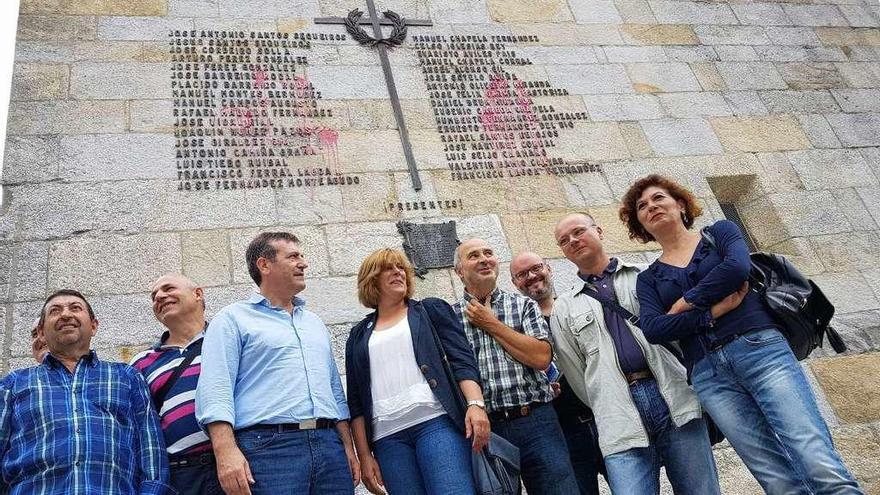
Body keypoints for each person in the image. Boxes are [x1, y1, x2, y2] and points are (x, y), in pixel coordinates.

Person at [622, 174, 862, 494]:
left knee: (813, 455)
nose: (650, 206)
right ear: (640, 223)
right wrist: (712, 312)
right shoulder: (648, 279)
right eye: (641, 206)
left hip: (761, 350)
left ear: (680, 205)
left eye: (658, 198)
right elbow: (653, 329)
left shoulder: (720, 232)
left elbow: (737, 269)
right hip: (708, 376)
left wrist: (685, 303)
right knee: (775, 477)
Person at [549, 213, 720, 495]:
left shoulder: (647, 274)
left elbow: (680, 333)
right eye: (564, 241)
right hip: (616, 415)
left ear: (599, 231)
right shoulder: (564, 307)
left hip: (673, 395)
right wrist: (605, 397)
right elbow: (576, 371)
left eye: (578, 231)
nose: (573, 241)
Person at [196, 232, 359, 495]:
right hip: (268, 449)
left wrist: (347, 447)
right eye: (293, 256)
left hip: (329, 445)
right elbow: (216, 387)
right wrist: (225, 452)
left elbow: (333, 389)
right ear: (264, 265)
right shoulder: (232, 319)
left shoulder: (314, 323)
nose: (303, 263)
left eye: (302, 256)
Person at [346, 248, 490, 495]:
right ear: (372, 279)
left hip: (436, 424)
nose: (398, 272)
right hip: (387, 440)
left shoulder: (430, 310)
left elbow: (462, 361)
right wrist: (364, 455)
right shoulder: (358, 335)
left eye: (401, 267)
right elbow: (356, 401)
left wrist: (475, 405)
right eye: (388, 268)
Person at [0, 289, 172, 494]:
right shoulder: (13, 384)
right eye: (55, 311)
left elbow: (151, 453)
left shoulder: (127, 377)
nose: (65, 314)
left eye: (75, 308)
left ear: (94, 326)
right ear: (42, 332)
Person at [452, 238, 580, 495]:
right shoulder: (451, 317)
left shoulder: (523, 305)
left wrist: (491, 323)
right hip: (487, 429)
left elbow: (541, 357)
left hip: (536, 420)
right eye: (473, 255)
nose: (484, 258)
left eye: (488, 253)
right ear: (459, 271)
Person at [509, 251, 605, 495]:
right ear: (514, 283)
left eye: (536, 268)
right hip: (562, 432)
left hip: (605, 419)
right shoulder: (515, 332)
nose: (531, 277)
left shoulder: (578, 306)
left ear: (548, 268)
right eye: (521, 274)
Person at [130, 274, 222, 495]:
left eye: (168, 288)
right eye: (154, 296)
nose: (160, 296)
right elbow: (137, 427)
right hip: (179, 477)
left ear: (198, 294)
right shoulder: (141, 363)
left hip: (234, 462)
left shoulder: (227, 339)